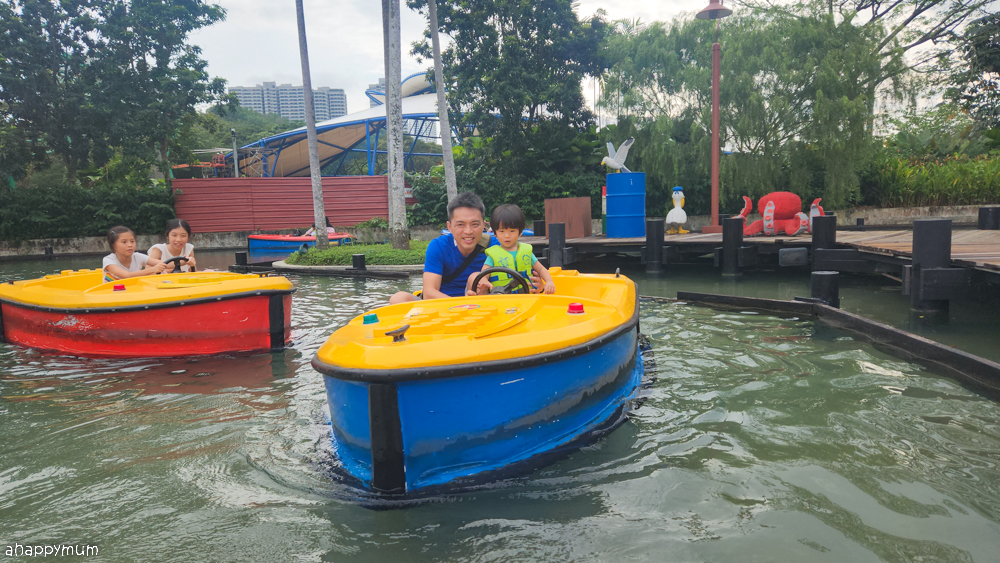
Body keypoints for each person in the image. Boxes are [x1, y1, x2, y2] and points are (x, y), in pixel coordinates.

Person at [390, 192, 513, 304]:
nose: (468, 231)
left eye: (475, 224)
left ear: (484, 225)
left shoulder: (498, 246)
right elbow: (429, 292)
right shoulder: (438, 246)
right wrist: (460, 305)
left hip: (481, 303)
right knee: (398, 298)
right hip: (442, 304)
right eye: (460, 224)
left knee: (476, 277)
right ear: (449, 227)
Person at [470, 204, 555, 295]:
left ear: (520, 232)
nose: (507, 236)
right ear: (495, 233)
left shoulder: (526, 252)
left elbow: (541, 269)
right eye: (502, 231)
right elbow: (484, 274)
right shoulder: (493, 255)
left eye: (512, 231)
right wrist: (484, 281)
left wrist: (549, 281)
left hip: (527, 297)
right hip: (503, 299)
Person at [102, 226, 168, 283]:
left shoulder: (138, 256)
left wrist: (172, 262)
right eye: (124, 242)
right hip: (112, 292)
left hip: (134, 290)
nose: (130, 245)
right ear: (113, 246)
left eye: (132, 241)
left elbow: (164, 263)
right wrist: (152, 269)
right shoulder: (109, 260)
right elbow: (126, 275)